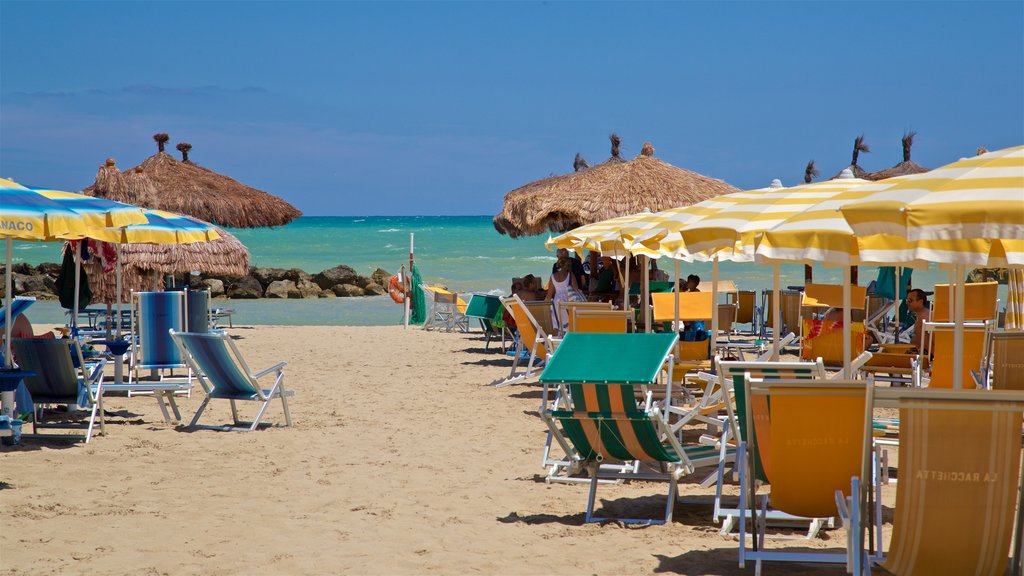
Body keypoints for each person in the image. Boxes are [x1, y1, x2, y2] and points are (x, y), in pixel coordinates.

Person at [546, 252, 581, 332]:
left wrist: (547, 308)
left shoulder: (553, 276)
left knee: (557, 325)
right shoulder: (570, 274)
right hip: (567, 301)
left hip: (556, 302)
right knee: (569, 324)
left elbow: (549, 295)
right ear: (568, 265)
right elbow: (576, 288)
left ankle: (557, 340)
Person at [903, 288, 931, 353]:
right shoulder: (923, 315)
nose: (907, 303)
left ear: (920, 302)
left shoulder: (923, 318)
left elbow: (930, 346)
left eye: (910, 300)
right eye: (907, 300)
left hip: (925, 356)